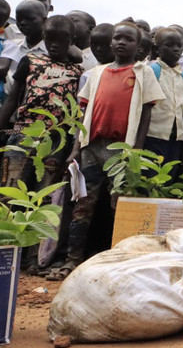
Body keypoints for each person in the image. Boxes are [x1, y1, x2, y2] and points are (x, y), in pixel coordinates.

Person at [55, 22, 165, 281]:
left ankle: (120, 264)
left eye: (128, 39)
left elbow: (146, 113)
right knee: (83, 205)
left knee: (120, 207)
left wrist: (136, 150)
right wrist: (76, 148)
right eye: (117, 38)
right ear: (111, 42)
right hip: (92, 147)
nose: (121, 43)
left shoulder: (143, 73)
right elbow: (84, 112)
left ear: (139, 46)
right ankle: (72, 260)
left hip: (122, 150)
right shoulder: (96, 73)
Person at [0, 15, 84, 190]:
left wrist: (73, 146)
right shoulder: (30, 61)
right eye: (50, 39)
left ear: (72, 40)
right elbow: (12, 99)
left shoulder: (78, 72)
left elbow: (78, 111)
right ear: (44, 37)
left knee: (45, 191)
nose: (54, 45)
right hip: (23, 132)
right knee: (10, 188)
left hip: (57, 139)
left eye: (61, 40)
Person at [144, 28, 183, 179]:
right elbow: (143, 108)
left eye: (179, 45)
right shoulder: (151, 71)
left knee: (168, 180)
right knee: (149, 178)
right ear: (157, 49)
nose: (176, 49)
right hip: (152, 137)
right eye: (169, 45)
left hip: (175, 141)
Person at [0, 0, 49, 94]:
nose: (22, 23)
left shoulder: (51, 51)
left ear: (44, 21)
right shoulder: (11, 46)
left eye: (29, 19)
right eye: (18, 19)